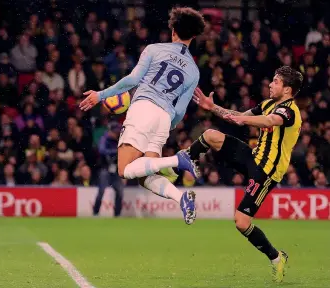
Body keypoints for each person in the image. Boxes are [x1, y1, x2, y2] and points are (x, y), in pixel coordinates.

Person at [166, 66, 302, 282]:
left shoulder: (290, 111)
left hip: (265, 173)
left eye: (276, 81)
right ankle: (179, 166)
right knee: (210, 135)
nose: (270, 84)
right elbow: (238, 116)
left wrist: (244, 121)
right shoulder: (267, 104)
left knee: (241, 222)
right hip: (252, 158)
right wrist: (213, 107)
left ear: (287, 89)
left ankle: (277, 257)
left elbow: (269, 121)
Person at [80, 7, 206, 224]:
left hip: (143, 107)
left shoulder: (154, 49)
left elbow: (132, 80)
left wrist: (101, 95)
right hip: (164, 118)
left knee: (124, 170)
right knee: (145, 175)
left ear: (173, 30)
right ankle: (181, 197)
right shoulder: (194, 71)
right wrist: (168, 123)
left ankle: (178, 159)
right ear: (193, 36)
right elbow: (180, 112)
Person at [93, 122, 124, 217]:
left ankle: (117, 215)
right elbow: (101, 150)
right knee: (101, 191)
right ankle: (95, 213)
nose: (116, 134)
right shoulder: (105, 139)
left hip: (115, 170)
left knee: (119, 192)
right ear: (110, 131)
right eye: (115, 132)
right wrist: (116, 151)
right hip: (105, 169)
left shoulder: (120, 139)